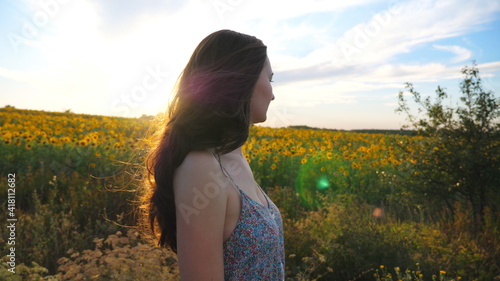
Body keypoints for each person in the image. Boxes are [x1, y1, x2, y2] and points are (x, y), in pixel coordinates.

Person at [142, 29, 285, 280]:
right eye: (270, 79)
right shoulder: (202, 168)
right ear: (242, 79)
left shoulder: (234, 157)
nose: (273, 94)